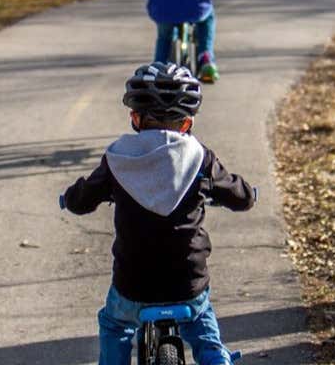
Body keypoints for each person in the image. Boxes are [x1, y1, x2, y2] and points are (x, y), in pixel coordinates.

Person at [61, 62, 256, 365]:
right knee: (204, 332)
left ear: (135, 118)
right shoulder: (201, 159)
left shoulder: (117, 159)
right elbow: (239, 196)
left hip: (133, 286)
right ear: (187, 124)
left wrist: (70, 198)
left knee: (115, 326)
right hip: (188, 284)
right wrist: (249, 193)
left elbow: (82, 200)